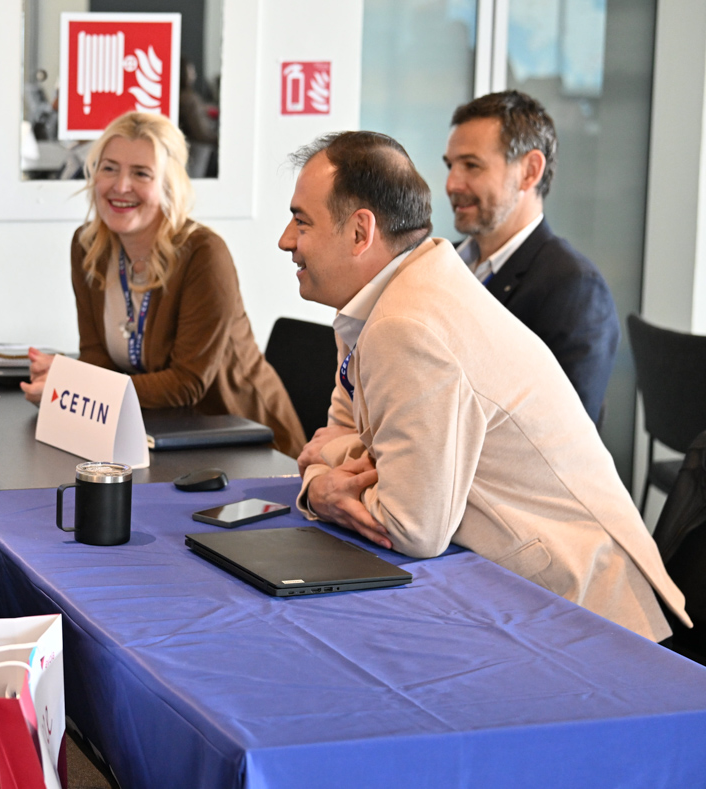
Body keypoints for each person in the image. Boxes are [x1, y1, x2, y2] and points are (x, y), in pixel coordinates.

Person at [279, 130, 687, 642]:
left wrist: (325, 470)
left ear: (361, 232)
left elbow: (409, 525)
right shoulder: (377, 300)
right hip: (521, 591)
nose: (286, 240)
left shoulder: (405, 323)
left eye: (301, 221)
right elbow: (343, 432)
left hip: (589, 618)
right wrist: (326, 480)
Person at [20, 111, 306, 458]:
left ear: (169, 185)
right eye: (109, 168)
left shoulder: (203, 254)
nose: (120, 186)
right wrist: (71, 382)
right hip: (155, 434)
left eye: (141, 173)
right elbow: (97, 356)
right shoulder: (88, 247)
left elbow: (186, 384)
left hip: (247, 446)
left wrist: (75, 383)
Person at [444, 90, 619, 424]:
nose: (452, 183)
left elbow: (565, 438)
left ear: (529, 171)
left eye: (471, 165)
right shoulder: (442, 263)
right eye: (450, 165)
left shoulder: (575, 289)